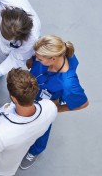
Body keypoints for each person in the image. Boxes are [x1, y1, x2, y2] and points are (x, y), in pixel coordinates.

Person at [20, 35, 89, 169]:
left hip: (47, 101)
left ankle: (35, 151)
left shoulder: (68, 83)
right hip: (33, 90)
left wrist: (55, 108)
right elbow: (35, 58)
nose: (36, 59)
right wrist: (32, 60)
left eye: (39, 59)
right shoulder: (49, 50)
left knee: (43, 126)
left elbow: (83, 103)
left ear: (52, 59)